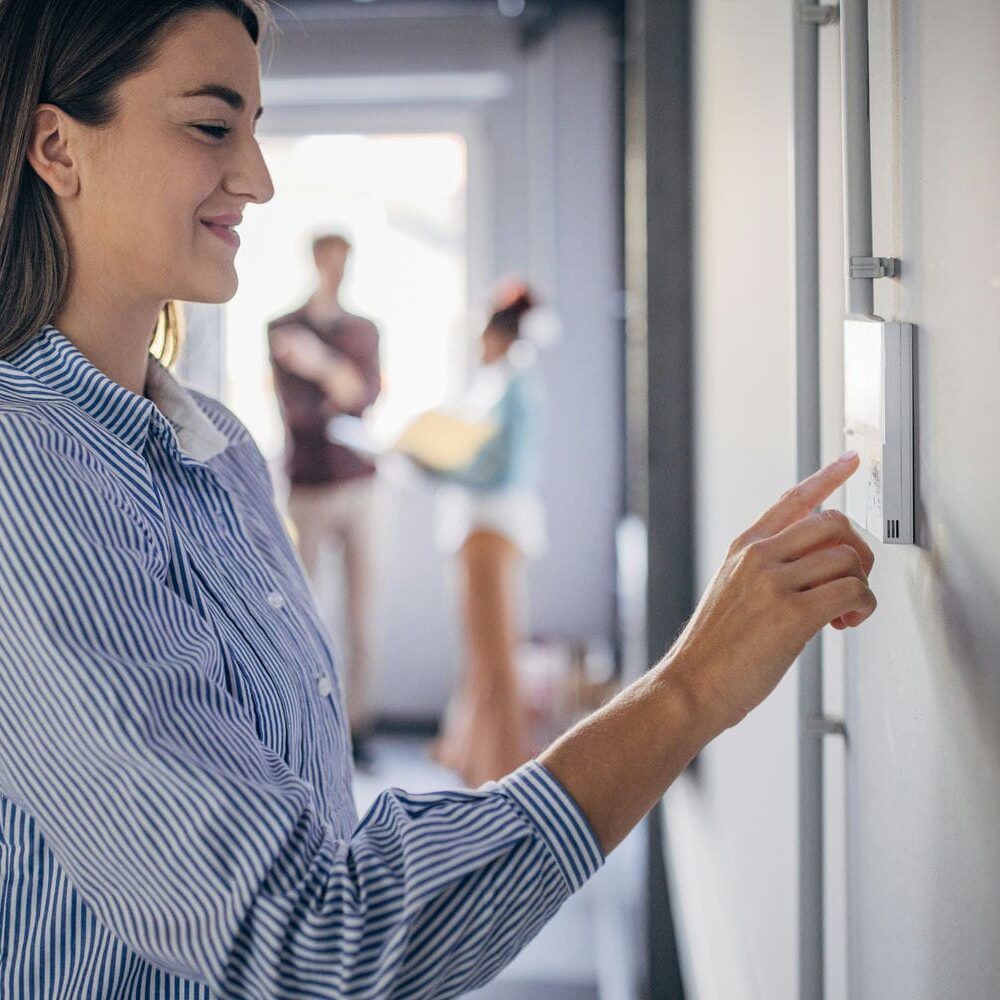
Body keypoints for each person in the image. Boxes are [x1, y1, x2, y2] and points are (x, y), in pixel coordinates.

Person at [0, 1, 877, 998]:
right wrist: (690, 689)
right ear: (56, 147)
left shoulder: (217, 448)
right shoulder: (22, 475)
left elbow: (310, 848)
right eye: (211, 126)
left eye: (253, 128)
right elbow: (312, 939)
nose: (258, 178)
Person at [268, 234, 381, 766]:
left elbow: (364, 396)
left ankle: (357, 728)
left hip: (361, 485)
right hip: (309, 487)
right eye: (330, 259)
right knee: (301, 610)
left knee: (364, 616)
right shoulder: (282, 327)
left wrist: (317, 365)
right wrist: (336, 385)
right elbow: (300, 416)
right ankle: (306, 727)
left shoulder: (364, 330)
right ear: (314, 260)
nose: (337, 270)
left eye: (346, 261)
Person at [428, 283, 547, 786]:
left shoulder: (514, 384)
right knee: (482, 660)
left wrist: (434, 461)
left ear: (498, 333)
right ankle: (478, 767)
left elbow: (498, 467)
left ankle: (504, 776)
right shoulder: (496, 381)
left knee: (496, 662)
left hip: (492, 529)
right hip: (480, 530)